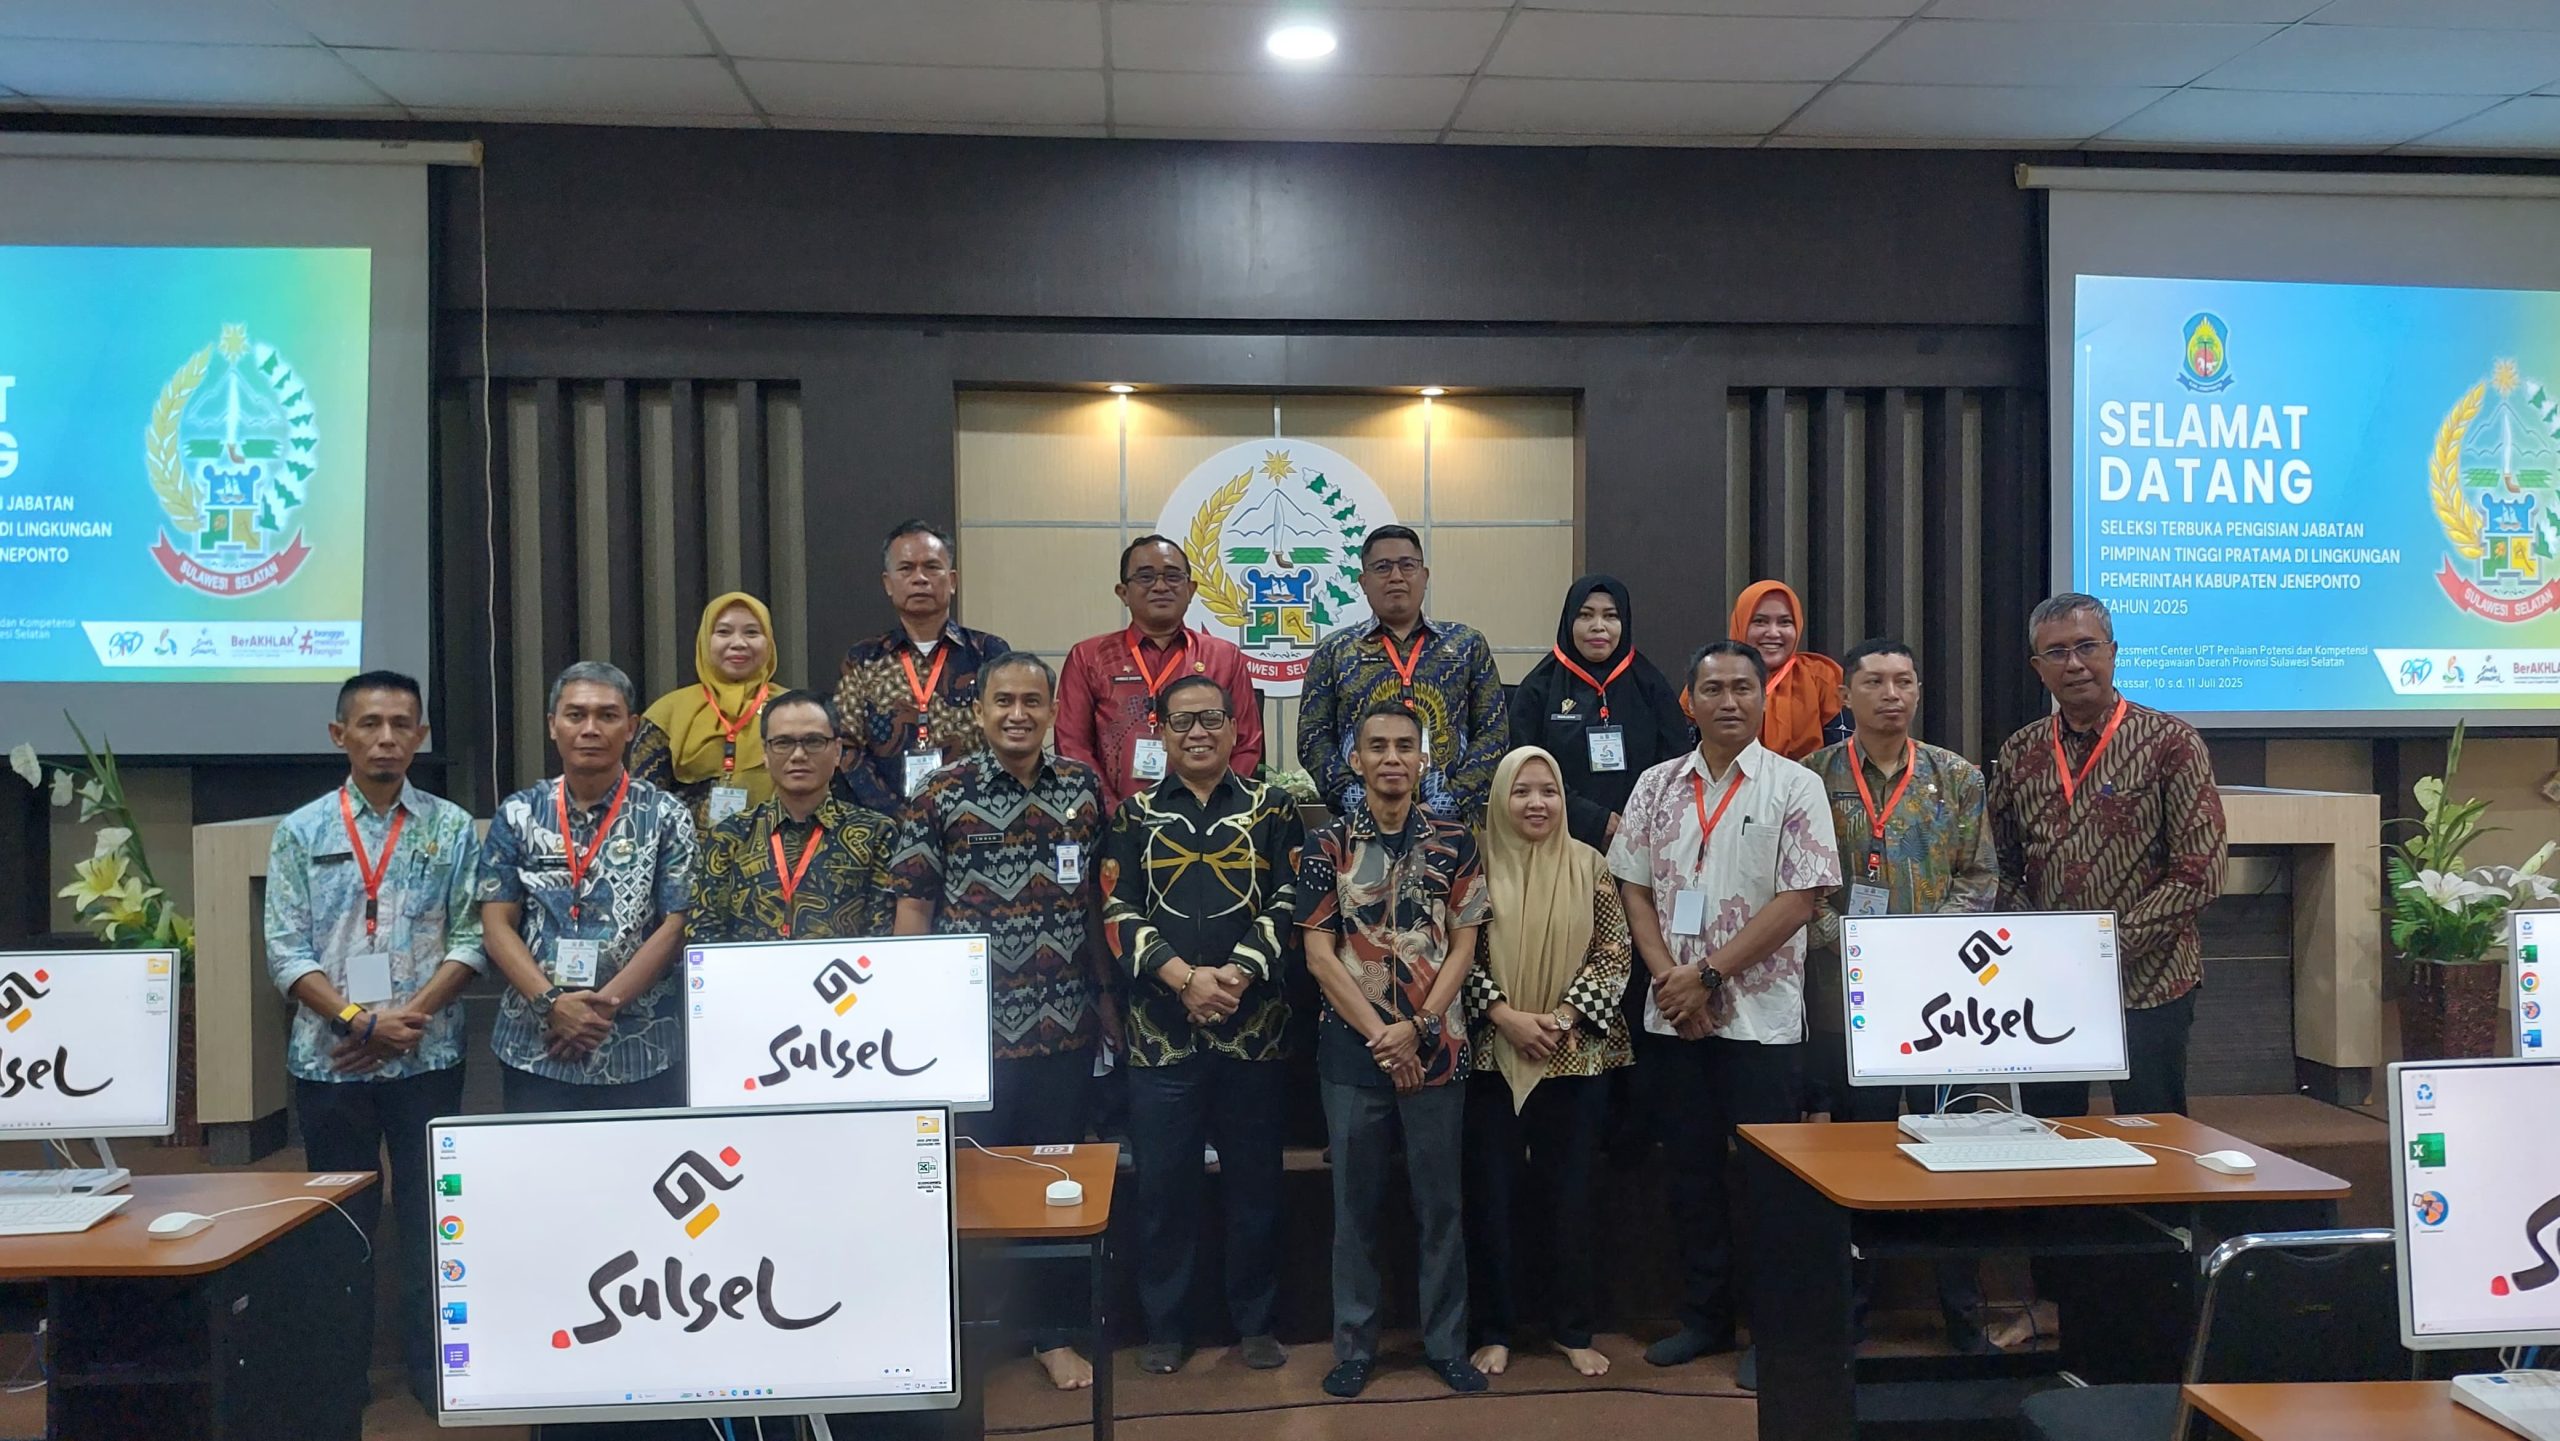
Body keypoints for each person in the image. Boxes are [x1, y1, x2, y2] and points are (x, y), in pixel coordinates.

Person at [1609, 641, 1840, 1383]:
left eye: (1744, 687)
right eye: (1714, 688)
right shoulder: (1655, 785)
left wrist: (1708, 975)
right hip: (1674, 1020)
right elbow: (1633, 887)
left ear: (1763, 699)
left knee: (1771, 1186)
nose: (1730, 700)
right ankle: (1704, 1319)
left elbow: (1800, 899)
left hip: (1760, 1023)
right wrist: (1670, 983)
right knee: (1691, 1178)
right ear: (1690, 701)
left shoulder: (1796, 786)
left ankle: (1774, 1333)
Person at [891, 651, 1117, 1392]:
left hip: (1063, 1027)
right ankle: (963, 1334)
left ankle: (1053, 1334)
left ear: (1051, 711)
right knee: (968, 1190)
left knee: (1056, 1184)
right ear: (980, 711)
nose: (1017, 714)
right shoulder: (940, 792)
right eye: (1003, 701)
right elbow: (913, 907)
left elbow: (1095, 903)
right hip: (968, 1036)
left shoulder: (1082, 788)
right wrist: (912, 1010)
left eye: (1031, 701)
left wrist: (1106, 996)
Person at [264, 670, 484, 1404]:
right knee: (339, 1220)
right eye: (369, 724)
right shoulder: (301, 831)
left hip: (428, 1055)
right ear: (340, 735)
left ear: (421, 736)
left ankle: (432, 1369)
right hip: (331, 1060)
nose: (386, 738)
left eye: (400, 725)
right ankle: (340, 1371)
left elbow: (470, 938)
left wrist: (402, 1022)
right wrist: (359, 1021)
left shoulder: (452, 827)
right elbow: (285, 952)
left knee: (431, 1216)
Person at [1098, 674, 1300, 1377]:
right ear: (1161, 731)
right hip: (1161, 1034)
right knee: (1163, 1190)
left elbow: (1291, 896)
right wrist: (1184, 978)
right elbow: (1117, 911)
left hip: (1255, 1028)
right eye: (1182, 721)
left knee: (1256, 1186)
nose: (1198, 733)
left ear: (1234, 725)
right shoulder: (1134, 815)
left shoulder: (1273, 807)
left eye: (1211, 718)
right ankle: (1165, 1327)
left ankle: (1257, 1324)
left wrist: (1237, 973)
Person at [1801, 639, 1998, 1354]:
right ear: (1846, 696)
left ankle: (1964, 1317)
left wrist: (1922, 948)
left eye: (1904, 681)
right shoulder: (1811, 778)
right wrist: (1852, 943)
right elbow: (1797, 886)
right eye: (1875, 681)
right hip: (1849, 1001)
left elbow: (1980, 878)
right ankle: (1850, 1315)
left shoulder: (1958, 776)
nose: (1892, 694)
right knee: (1862, 1158)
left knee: (1954, 1153)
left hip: (1942, 1004)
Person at [1298, 704, 1490, 1399]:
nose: (1391, 758)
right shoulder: (1327, 844)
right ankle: (1354, 1348)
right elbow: (1320, 955)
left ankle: (1446, 1345)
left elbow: (1466, 943)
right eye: (1377, 746)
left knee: (1441, 1207)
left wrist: (1421, 1024)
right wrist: (1384, 1035)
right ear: (1355, 760)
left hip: (1438, 1050)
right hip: (1353, 1056)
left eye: (1405, 746)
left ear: (1423, 759)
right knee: (1356, 1210)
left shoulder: (1456, 840)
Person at [1992, 593, 2226, 1120]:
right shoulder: (2020, 751)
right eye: (2056, 653)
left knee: (2155, 1130)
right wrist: (2044, 945)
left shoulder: (2171, 742)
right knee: (2049, 1131)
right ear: (2038, 668)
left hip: (2150, 979)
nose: (2074, 664)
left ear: (2113, 652)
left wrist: (2105, 949)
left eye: (2086, 647)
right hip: (2049, 981)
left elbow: (2200, 870)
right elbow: (1999, 865)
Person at [1460, 746, 1635, 1381]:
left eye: (1549, 791)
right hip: (1492, 1054)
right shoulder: (1473, 864)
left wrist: (1563, 1019)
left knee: (1573, 1197)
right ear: (1500, 798)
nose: (1537, 803)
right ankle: (1495, 1329)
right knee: (1492, 1199)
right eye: (1522, 791)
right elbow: (1454, 955)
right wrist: (1504, 1015)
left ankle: (1572, 1329)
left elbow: (1615, 953)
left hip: (1576, 1056)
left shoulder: (1591, 865)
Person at [480, 661, 697, 1112]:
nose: (591, 729)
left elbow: (676, 925)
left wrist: (600, 1010)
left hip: (640, 1046)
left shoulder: (666, 815)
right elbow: (496, 923)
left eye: (608, 715)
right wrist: (552, 1004)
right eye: (576, 715)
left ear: (631, 727)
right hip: (535, 1046)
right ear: (552, 726)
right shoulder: (520, 813)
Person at [1297, 526, 1508, 823]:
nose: (1396, 576)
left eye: (1407, 565)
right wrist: (1360, 803)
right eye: (1382, 567)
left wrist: (1448, 804)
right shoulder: (1335, 651)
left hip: (1451, 826)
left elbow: (1493, 733)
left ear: (1424, 576)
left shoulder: (1467, 645)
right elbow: (1313, 737)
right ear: (1363, 582)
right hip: (1359, 825)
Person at [1059, 535, 1265, 811]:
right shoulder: (1088, 657)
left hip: (1210, 820)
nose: (1160, 586)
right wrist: (1118, 815)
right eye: (1145, 577)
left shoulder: (1224, 657)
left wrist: (1213, 809)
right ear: (1123, 592)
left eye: (1172, 576)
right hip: (1111, 819)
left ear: (1191, 589)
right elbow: (1073, 747)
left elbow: (1246, 744)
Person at [688, 689, 898, 943]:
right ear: (765, 753)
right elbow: (704, 934)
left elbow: (882, 938)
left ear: (837, 751)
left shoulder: (876, 834)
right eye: (783, 743)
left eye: (814, 741)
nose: (798, 755)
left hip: (844, 969)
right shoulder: (730, 835)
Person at [835, 520, 1012, 814]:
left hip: (977, 817)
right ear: (888, 583)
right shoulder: (863, 658)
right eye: (906, 569)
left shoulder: (988, 652)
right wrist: (897, 816)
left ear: (952, 581)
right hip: (884, 824)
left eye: (932, 567)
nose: (920, 578)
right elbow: (847, 747)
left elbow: (1009, 735)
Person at [1507, 575, 1692, 851]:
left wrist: (1636, 821)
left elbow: (1677, 764)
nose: (1598, 626)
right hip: (1556, 838)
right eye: (1585, 615)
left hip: (1642, 840)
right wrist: (1593, 820)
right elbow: (1523, 767)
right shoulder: (1539, 687)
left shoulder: (1650, 685)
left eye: (1610, 616)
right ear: (1569, 620)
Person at [630, 591, 778, 834]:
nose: (738, 643)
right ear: (705, 639)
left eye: (752, 632)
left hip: (779, 849)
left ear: (769, 641)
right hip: (685, 851)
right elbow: (643, 805)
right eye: (723, 632)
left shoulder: (793, 709)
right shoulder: (669, 712)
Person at [1731, 579, 1846, 761]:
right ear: (1741, 624)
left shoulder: (1821, 678)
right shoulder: (1714, 678)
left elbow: (1842, 759)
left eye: (1785, 622)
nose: (1773, 633)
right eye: (1760, 621)